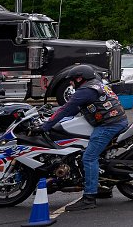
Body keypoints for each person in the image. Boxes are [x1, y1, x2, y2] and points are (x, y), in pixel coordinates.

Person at [41, 65, 128, 211]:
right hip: (115, 120)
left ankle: (89, 198)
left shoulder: (86, 90)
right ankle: (103, 188)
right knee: (93, 154)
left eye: (72, 80)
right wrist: (51, 114)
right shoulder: (96, 85)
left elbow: (66, 109)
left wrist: (45, 126)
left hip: (109, 125)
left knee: (88, 157)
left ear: (80, 78)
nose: (70, 83)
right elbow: (73, 108)